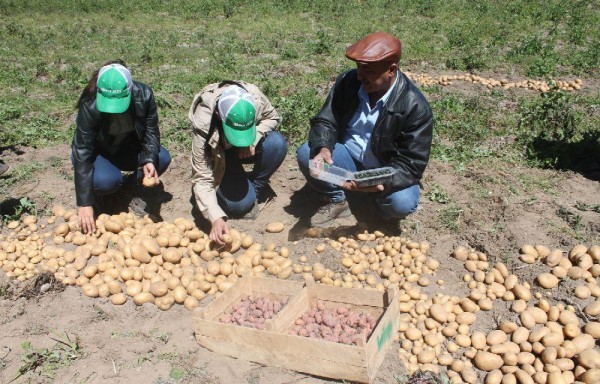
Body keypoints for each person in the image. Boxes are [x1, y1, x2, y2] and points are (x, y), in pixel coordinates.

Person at [296, 32, 433, 228]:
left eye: (368, 70)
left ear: (391, 70)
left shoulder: (415, 108)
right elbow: (327, 120)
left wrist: (374, 180)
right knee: (307, 155)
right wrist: (324, 148)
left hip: (384, 170)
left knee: (401, 203)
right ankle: (337, 198)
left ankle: (376, 207)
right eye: (358, 67)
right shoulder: (349, 82)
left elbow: (411, 165)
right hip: (347, 161)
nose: (360, 75)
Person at [72, 59, 171, 234]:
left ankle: (129, 190)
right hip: (100, 153)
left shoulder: (144, 95)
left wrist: (148, 159)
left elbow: (151, 133)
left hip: (125, 149)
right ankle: (101, 197)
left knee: (160, 158)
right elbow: (83, 152)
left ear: (130, 89)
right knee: (106, 181)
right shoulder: (90, 104)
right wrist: (84, 202)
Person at [189, 81, 287, 245]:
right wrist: (215, 217)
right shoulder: (204, 123)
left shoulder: (254, 98)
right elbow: (201, 178)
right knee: (240, 206)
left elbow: (272, 117)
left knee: (276, 144)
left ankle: (255, 187)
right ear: (220, 116)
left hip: (248, 147)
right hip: (221, 156)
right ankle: (237, 185)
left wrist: (253, 139)